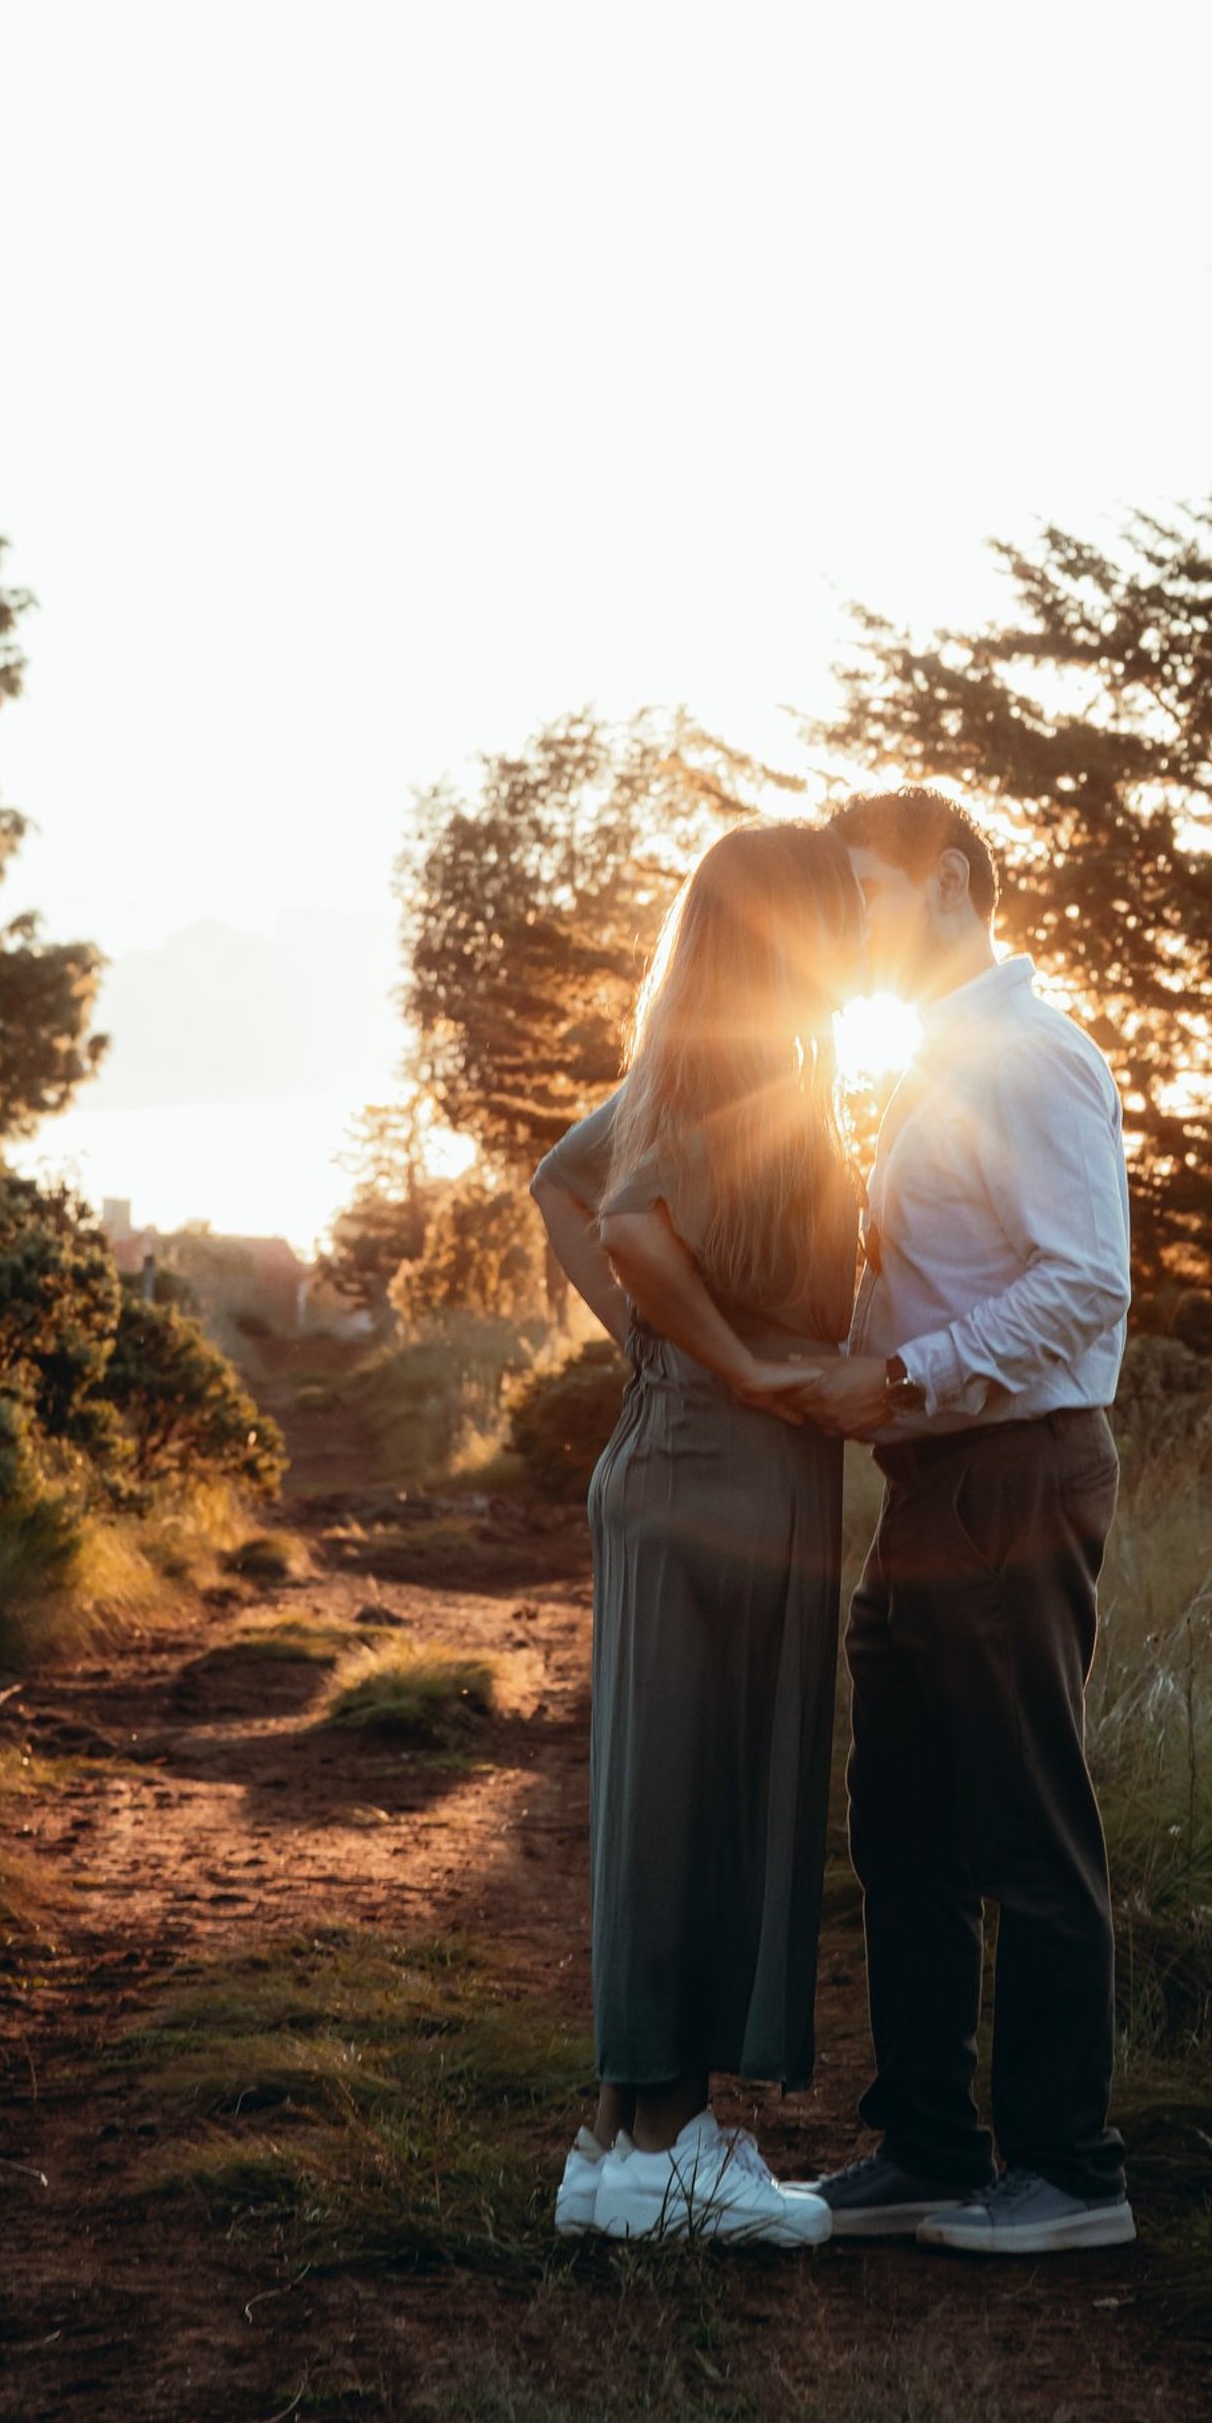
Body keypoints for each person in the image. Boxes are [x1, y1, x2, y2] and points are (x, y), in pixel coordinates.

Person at [803, 786, 1137, 2254]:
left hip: (1013, 1471)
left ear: (950, 885)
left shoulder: (1035, 1056)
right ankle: (931, 2145)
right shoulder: (934, 1066)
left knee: (1027, 1828)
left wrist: (906, 1373)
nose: (851, 931)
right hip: (930, 1487)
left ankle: (1072, 2172)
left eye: (866, 896)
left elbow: (1086, 1282)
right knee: (906, 1828)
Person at [530, 820, 861, 2250]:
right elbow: (629, 1228)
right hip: (730, 1464)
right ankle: (674, 2145)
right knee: (707, 1801)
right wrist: (731, 1362)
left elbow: (562, 1185)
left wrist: (663, 1354)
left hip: (680, 1451)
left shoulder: (682, 1064)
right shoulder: (758, 1079)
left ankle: (617, 2137)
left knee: (666, 1790)